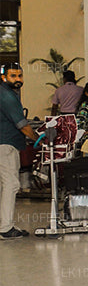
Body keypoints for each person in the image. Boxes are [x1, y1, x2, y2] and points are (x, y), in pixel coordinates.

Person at [0, 64, 37, 238]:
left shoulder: (7, 93)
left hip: (6, 144)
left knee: (5, 185)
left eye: (20, 76)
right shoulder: (7, 95)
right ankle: (6, 228)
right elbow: (21, 124)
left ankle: (5, 224)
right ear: (3, 77)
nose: (18, 79)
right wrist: (38, 139)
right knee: (11, 184)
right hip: (5, 145)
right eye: (13, 76)